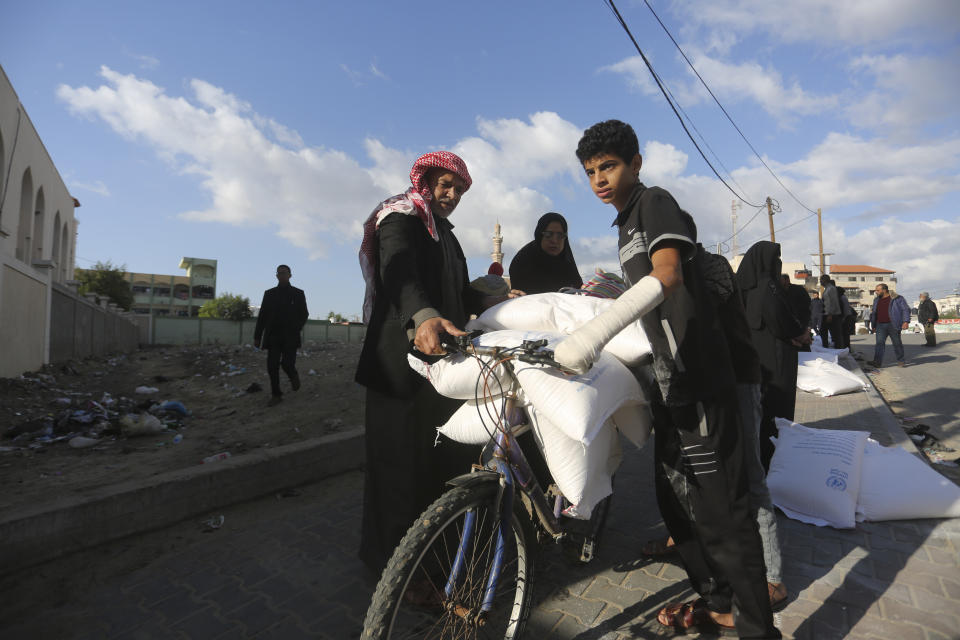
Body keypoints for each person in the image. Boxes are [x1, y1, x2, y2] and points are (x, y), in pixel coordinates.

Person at [556, 119, 780, 639]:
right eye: (590, 172)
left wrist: (593, 333)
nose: (599, 180)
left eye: (608, 166)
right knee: (678, 500)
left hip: (700, 379)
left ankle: (755, 626)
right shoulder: (623, 226)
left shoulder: (653, 203)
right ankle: (719, 602)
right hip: (670, 385)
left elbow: (668, 275)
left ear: (635, 163)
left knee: (725, 509)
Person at [355, 151, 519, 574]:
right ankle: (393, 571)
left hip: (439, 366)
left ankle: (433, 562)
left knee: (434, 468)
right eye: (445, 185)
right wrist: (424, 315)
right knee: (397, 471)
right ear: (426, 180)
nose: (451, 194)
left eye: (459, 189)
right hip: (398, 368)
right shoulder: (401, 218)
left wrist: (495, 300)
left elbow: (458, 294)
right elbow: (398, 272)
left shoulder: (445, 234)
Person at [741, 245, 810, 468]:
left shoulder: (744, 287)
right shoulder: (767, 287)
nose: (778, 264)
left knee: (761, 408)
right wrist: (800, 334)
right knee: (777, 410)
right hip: (776, 356)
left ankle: (763, 454)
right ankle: (774, 457)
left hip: (756, 356)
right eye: (776, 260)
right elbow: (781, 320)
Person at [253, 264, 309, 407]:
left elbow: (304, 314)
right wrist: (257, 336)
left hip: (290, 336)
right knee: (272, 366)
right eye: (279, 273)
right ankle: (276, 395)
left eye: (284, 273)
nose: (282, 275)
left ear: (290, 275)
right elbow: (262, 317)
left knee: (287, 364)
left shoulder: (298, 293)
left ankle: (293, 375)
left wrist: (296, 328)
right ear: (277, 276)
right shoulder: (269, 294)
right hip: (273, 336)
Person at [508, 212, 583, 294]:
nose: (554, 240)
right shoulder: (523, 261)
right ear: (539, 235)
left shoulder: (566, 261)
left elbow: (578, 291)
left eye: (560, 235)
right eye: (548, 234)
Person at [867, 283, 910, 368]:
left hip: (893, 324)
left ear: (884, 290)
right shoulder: (876, 300)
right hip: (880, 325)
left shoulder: (897, 298)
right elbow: (874, 313)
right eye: (876, 290)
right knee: (879, 344)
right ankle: (877, 362)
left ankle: (901, 361)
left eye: (878, 290)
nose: (876, 292)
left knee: (897, 343)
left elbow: (905, 309)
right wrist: (873, 325)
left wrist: (906, 321)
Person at [820, 275, 842, 348]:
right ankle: (826, 346)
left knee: (835, 333)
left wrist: (830, 314)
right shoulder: (827, 289)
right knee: (823, 331)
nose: (820, 281)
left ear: (825, 280)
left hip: (831, 314)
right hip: (827, 313)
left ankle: (837, 347)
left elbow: (833, 302)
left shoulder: (831, 289)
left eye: (821, 280)